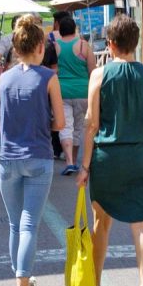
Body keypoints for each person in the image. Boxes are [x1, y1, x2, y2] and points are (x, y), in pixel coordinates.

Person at [76, 15, 143, 286]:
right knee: (141, 223)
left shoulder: (99, 76)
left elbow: (91, 124)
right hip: (140, 155)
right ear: (136, 43)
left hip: (108, 157)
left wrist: (85, 166)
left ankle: (96, 284)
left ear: (111, 44)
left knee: (101, 224)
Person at [0, 15, 66, 286]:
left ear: (16, 48)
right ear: (40, 46)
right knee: (30, 224)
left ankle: (22, 281)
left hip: (7, 159)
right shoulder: (48, 78)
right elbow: (60, 122)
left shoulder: (4, 78)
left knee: (14, 225)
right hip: (39, 156)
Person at [54, 11, 96, 176]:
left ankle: (69, 161)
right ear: (75, 29)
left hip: (62, 91)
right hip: (83, 91)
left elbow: (52, 70)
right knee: (78, 127)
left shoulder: (55, 46)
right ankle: (74, 158)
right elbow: (92, 70)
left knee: (65, 126)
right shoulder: (83, 45)